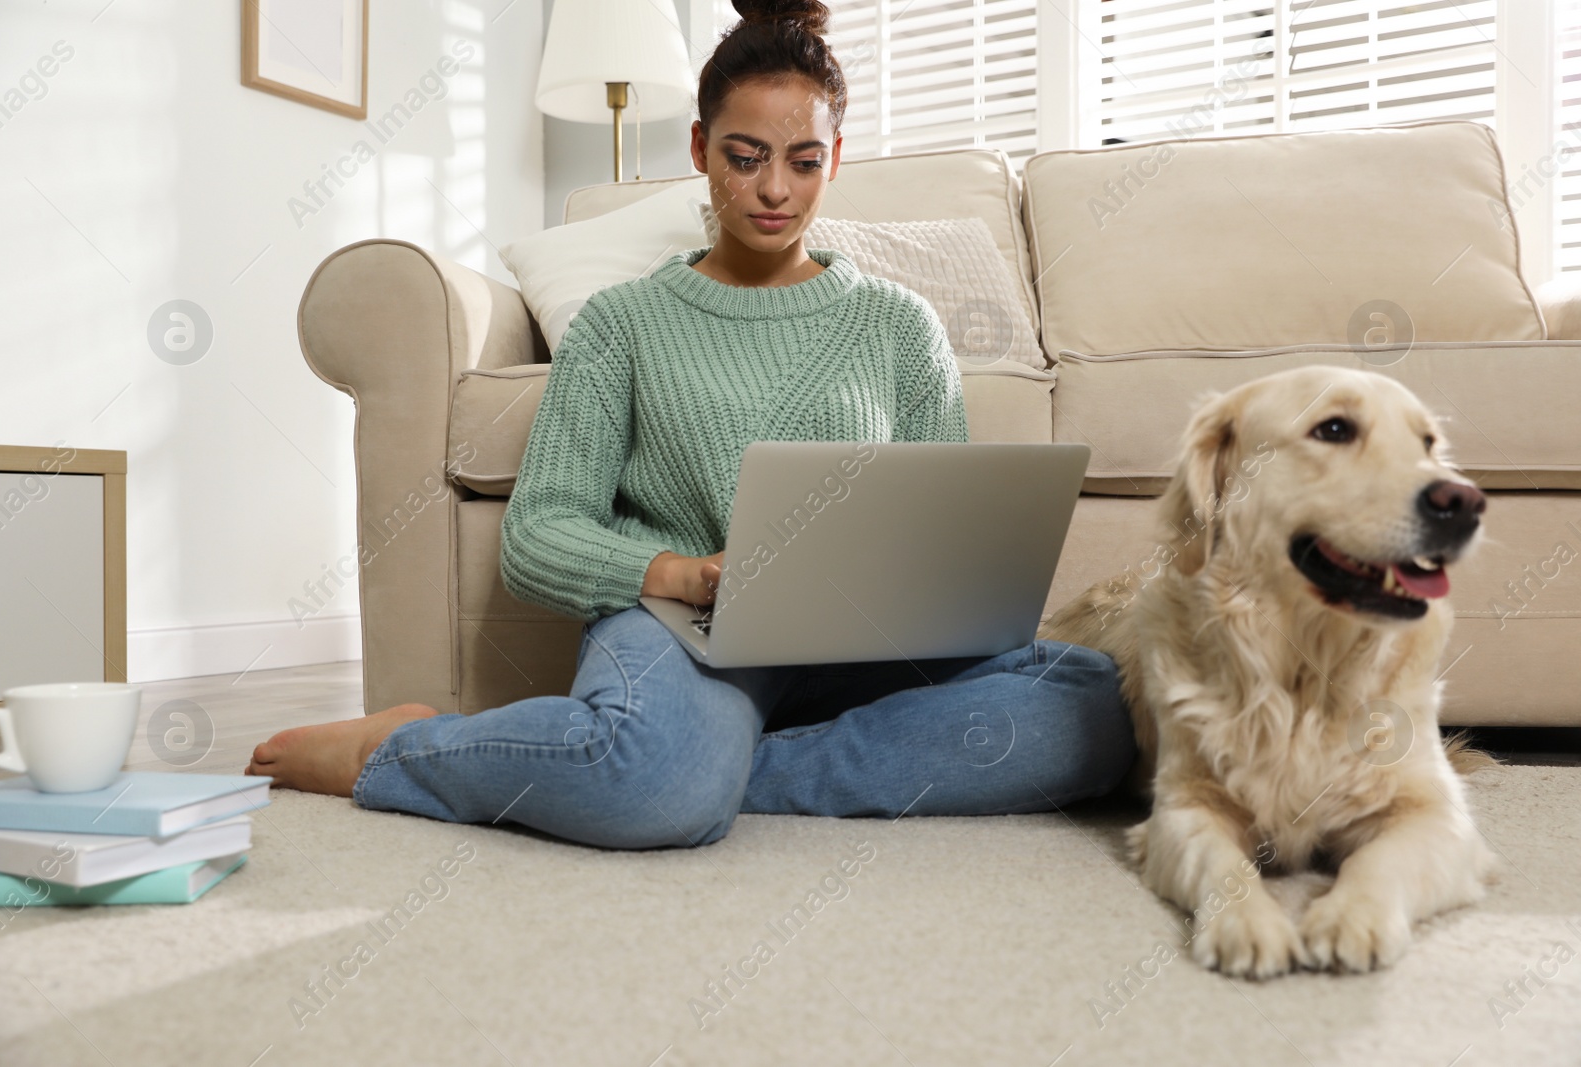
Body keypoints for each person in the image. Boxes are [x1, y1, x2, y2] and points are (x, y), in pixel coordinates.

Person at [246, 0, 1136, 849]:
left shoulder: (899, 324)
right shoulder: (620, 322)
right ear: (702, 149)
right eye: (746, 157)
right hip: (686, 636)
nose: (774, 190)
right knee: (647, 783)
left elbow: (945, 537)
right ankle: (402, 748)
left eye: (803, 160)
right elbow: (537, 535)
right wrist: (674, 571)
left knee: (1099, 705)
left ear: (837, 158)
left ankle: (716, 773)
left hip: (867, 654)